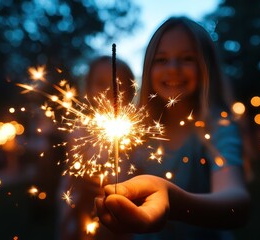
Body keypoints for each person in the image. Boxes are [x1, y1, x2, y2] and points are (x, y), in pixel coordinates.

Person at [95, 16, 251, 239]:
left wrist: (174, 203)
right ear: (148, 67)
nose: (173, 69)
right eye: (161, 60)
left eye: (187, 58)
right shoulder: (139, 131)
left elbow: (237, 204)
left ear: (207, 65)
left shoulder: (218, 128)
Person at [56, 55, 136, 240]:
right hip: (85, 215)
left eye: (118, 85)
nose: (109, 91)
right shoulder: (79, 133)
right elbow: (71, 184)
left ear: (130, 91)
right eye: (101, 83)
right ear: (88, 89)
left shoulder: (136, 135)